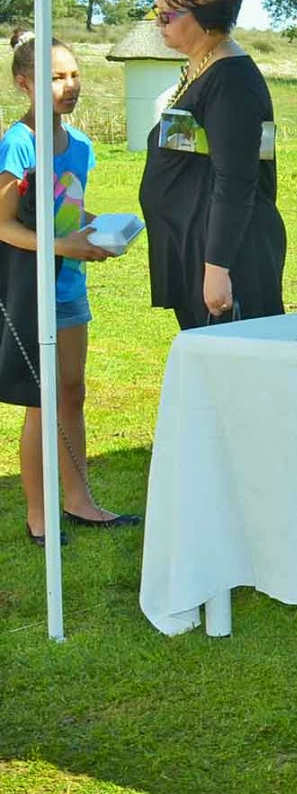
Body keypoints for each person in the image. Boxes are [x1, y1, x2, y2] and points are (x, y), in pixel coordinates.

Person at [0, 30, 139, 544]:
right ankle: (39, 515)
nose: (70, 85)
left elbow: (68, 211)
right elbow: (4, 225)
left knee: (72, 392)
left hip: (69, 286)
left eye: (75, 75)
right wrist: (63, 247)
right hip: (31, 286)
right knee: (43, 398)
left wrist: (106, 230)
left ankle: (80, 502)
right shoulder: (18, 144)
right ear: (25, 84)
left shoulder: (79, 145)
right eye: (56, 78)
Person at [139, 0, 285, 330]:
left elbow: (235, 179)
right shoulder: (202, 68)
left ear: (201, 15)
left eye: (166, 15)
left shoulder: (231, 81)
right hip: (199, 247)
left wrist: (217, 268)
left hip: (228, 256)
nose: (158, 23)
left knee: (237, 377)